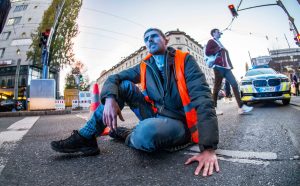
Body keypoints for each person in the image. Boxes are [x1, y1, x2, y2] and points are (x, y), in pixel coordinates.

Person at [51, 28, 220, 177]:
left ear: (166, 40)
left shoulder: (185, 60)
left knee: (145, 133)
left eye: (154, 36)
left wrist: (208, 148)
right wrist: (110, 99)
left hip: (180, 122)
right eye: (146, 39)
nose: (150, 40)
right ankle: (86, 137)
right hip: (154, 114)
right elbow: (114, 78)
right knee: (123, 86)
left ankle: (128, 135)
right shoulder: (146, 65)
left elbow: (203, 99)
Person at [205, 28, 253, 115]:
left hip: (226, 68)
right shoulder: (211, 41)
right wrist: (217, 50)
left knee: (234, 84)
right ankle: (214, 108)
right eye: (218, 32)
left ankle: (241, 107)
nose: (220, 33)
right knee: (216, 88)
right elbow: (207, 52)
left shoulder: (220, 43)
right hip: (218, 67)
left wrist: (229, 65)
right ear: (214, 33)